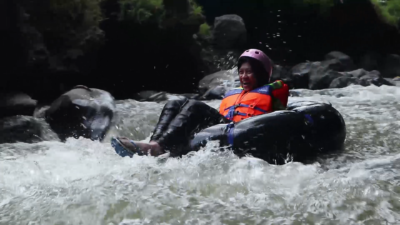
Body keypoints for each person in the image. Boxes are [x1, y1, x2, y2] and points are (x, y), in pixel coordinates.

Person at [111, 49, 290, 158]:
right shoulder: (235, 94)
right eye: (241, 72)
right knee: (176, 102)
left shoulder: (273, 93)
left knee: (196, 106)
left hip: (243, 132)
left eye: (249, 72)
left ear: (261, 74)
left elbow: (282, 116)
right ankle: (155, 144)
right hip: (222, 129)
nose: (243, 77)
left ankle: (157, 148)